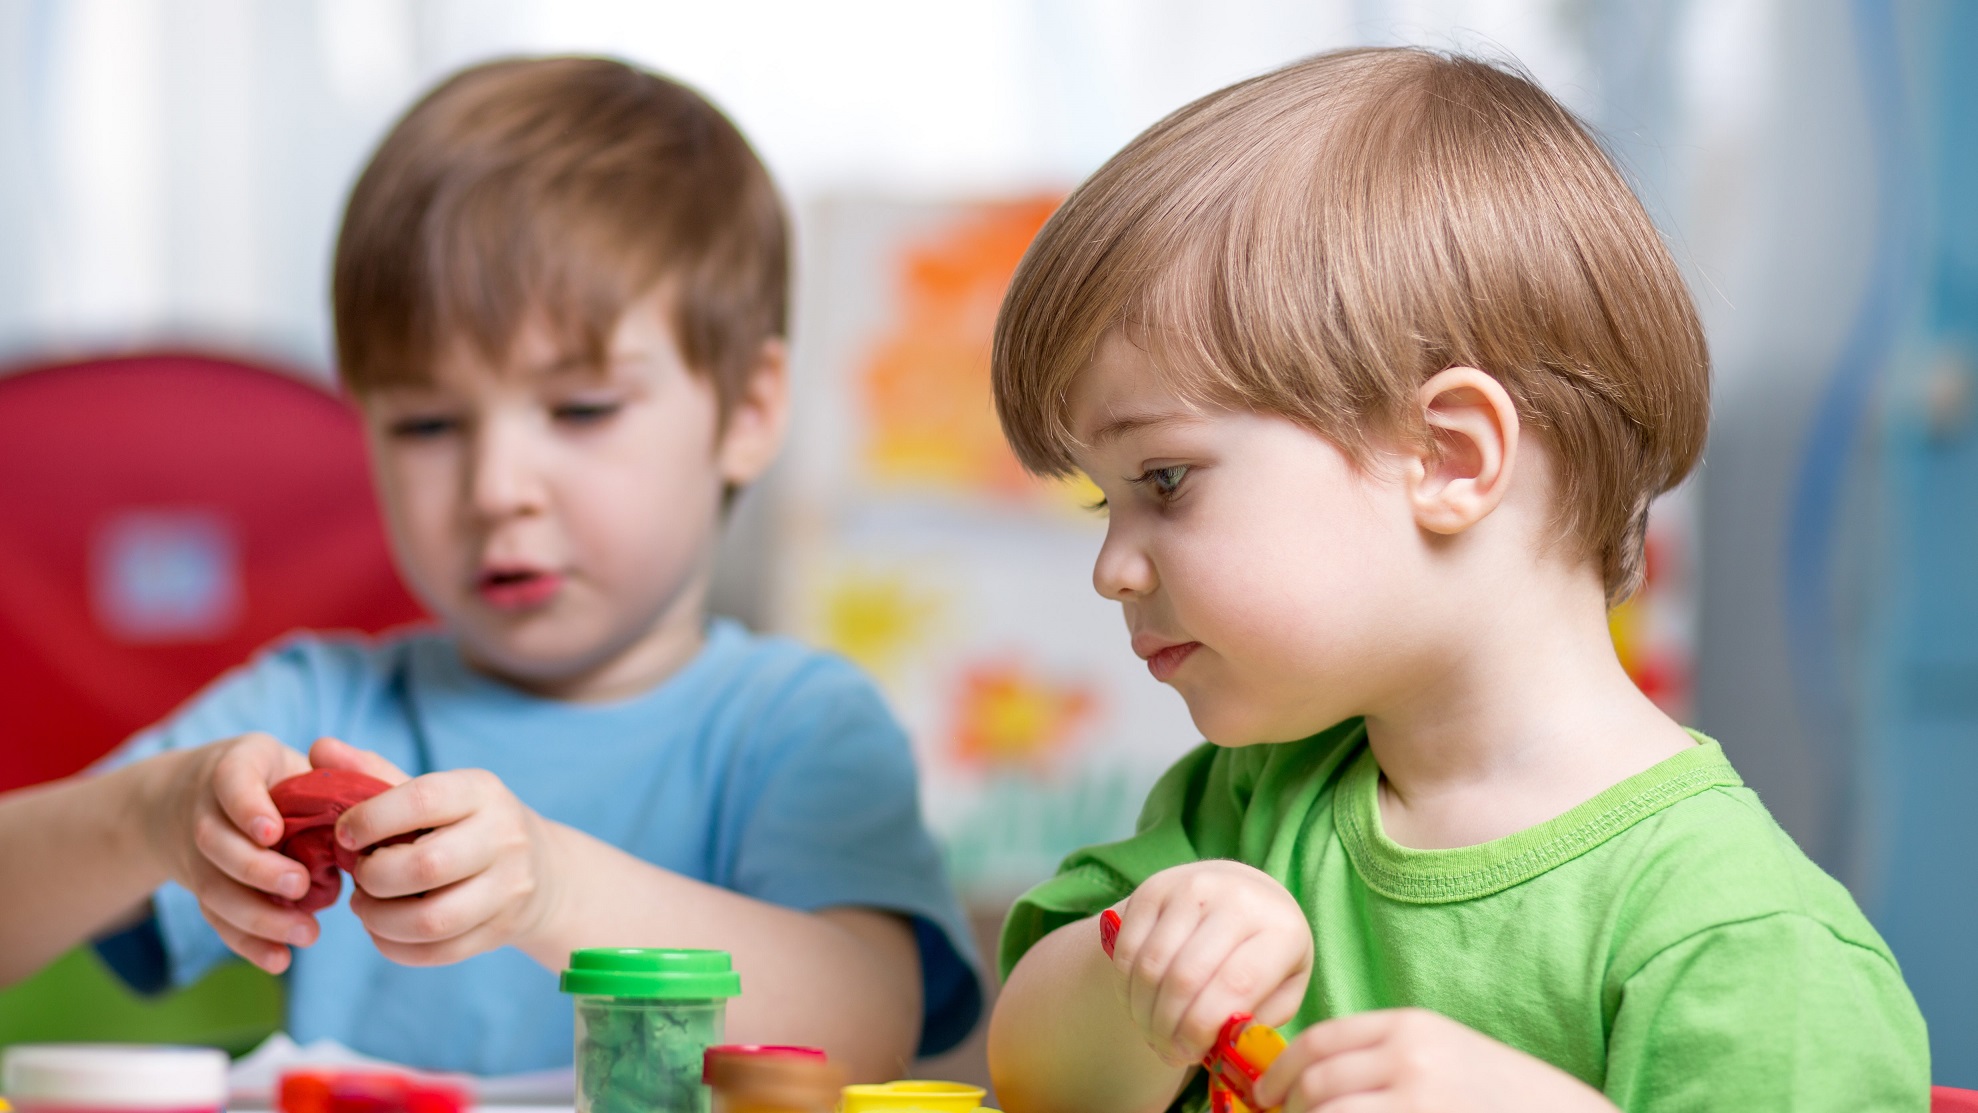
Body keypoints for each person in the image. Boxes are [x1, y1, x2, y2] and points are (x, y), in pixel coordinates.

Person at [985, 47, 1926, 1113]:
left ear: (1448, 458)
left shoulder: (1739, 935)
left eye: (1165, 478)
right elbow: (1030, 1078)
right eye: (1104, 501)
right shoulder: (1247, 804)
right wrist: (1143, 980)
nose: (1113, 568)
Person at [0, 56, 978, 1081]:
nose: (495, 486)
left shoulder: (800, 725)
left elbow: (870, 1023)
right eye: (427, 423)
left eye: (581, 409)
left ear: (748, 413)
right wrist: (146, 818)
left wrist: (551, 892)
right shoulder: (318, 704)